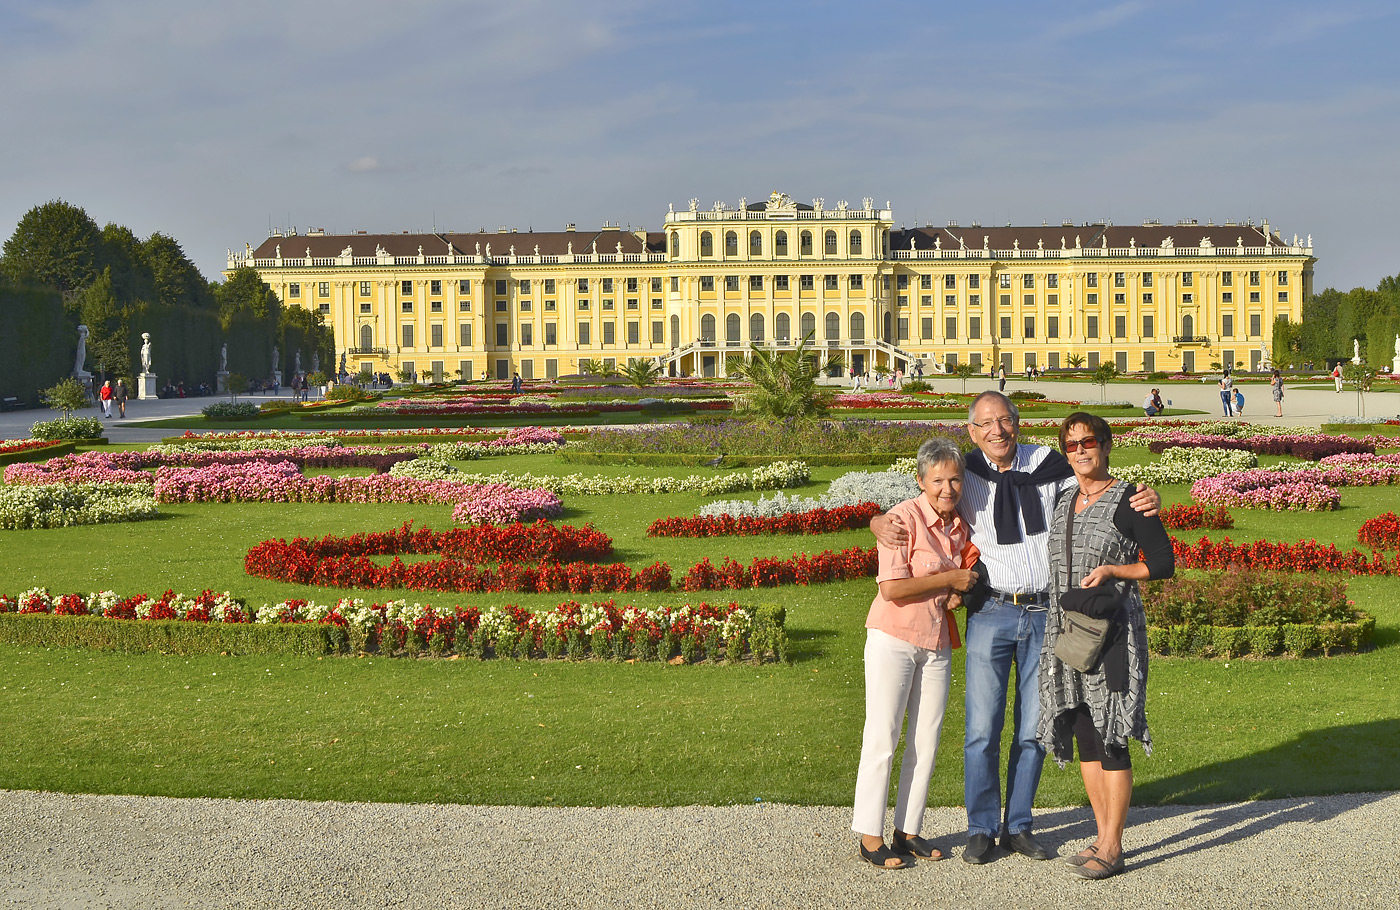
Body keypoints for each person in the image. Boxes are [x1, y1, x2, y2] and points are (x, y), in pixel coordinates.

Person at [872, 392, 1161, 865]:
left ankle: (1020, 825)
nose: (997, 431)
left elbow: (1100, 482)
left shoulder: (1049, 462)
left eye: (1004, 420)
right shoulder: (964, 472)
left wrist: (1146, 496)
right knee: (982, 728)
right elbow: (917, 498)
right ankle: (982, 827)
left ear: (1017, 423)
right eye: (986, 423)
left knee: (1033, 727)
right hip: (991, 610)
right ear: (972, 431)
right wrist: (876, 520)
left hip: (1046, 612)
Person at [1038, 413, 1175, 880]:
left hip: (1111, 635)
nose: (1080, 450)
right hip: (1067, 635)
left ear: (1107, 444)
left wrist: (1117, 571)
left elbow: (1161, 563)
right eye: (1071, 444)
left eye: (1088, 441)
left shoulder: (1131, 499)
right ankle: (1100, 836)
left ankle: (1114, 846)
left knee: (1112, 736)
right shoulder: (1063, 498)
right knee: (1085, 735)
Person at [853, 438, 978, 869]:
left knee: (926, 740)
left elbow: (960, 578)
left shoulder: (960, 525)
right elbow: (892, 588)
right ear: (921, 481)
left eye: (955, 479)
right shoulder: (901, 520)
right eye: (938, 479)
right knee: (883, 736)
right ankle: (870, 835)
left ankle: (907, 830)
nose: (948, 487)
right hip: (894, 637)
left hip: (936, 641)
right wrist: (952, 578)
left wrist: (957, 589)